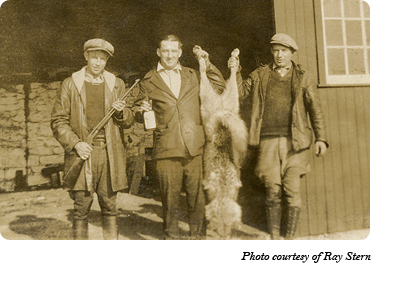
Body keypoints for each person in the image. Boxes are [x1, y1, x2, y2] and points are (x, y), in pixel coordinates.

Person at [228, 33, 329, 240]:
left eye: (284, 50)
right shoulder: (260, 74)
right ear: (271, 52)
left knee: (292, 191)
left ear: (292, 53)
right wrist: (235, 70)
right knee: (272, 191)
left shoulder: (303, 77)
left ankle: (289, 240)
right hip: (268, 142)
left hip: (296, 143)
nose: (279, 55)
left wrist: (321, 138)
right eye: (275, 50)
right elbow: (239, 93)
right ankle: (275, 238)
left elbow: (315, 109)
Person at [134, 35, 226, 240]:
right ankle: (172, 240)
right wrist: (141, 111)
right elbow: (140, 115)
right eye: (165, 50)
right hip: (166, 148)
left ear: (180, 53)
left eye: (173, 51)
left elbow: (220, 86)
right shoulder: (148, 80)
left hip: (194, 146)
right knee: (169, 201)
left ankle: (198, 239)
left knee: (197, 199)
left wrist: (207, 63)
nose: (169, 55)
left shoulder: (193, 75)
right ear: (158, 52)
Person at [51, 38, 134, 240]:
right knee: (80, 209)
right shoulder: (70, 84)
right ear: (86, 56)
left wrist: (123, 113)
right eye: (94, 57)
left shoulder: (117, 84)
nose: (98, 63)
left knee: (110, 208)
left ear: (107, 61)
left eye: (103, 59)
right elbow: (58, 120)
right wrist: (76, 144)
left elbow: (128, 121)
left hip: (109, 155)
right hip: (83, 154)